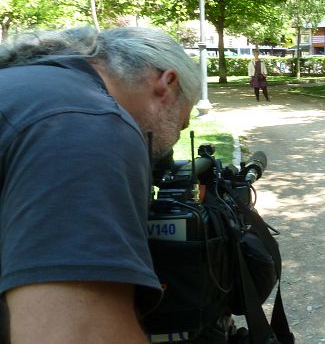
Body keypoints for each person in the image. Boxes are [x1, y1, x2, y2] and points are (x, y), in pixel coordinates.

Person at [0, 26, 201, 343]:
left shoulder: (26, 89)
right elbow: (73, 334)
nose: (174, 139)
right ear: (167, 85)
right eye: (182, 122)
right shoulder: (87, 122)